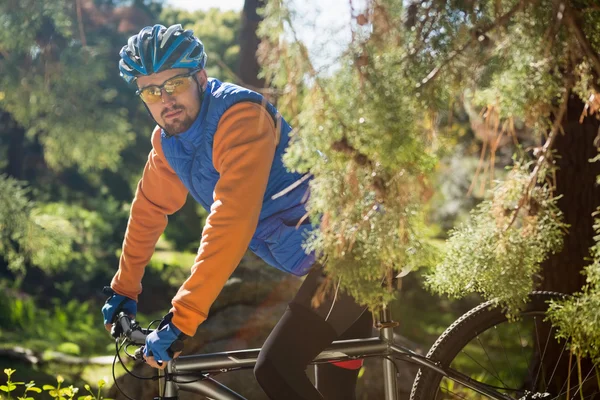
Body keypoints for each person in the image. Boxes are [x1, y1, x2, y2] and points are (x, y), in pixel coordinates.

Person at [101, 24, 372, 400]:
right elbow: (149, 210)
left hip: (356, 249)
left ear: (200, 76)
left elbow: (230, 220)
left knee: (276, 369)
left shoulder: (241, 118)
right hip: (321, 261)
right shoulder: (168, 142)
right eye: (151, 91)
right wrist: (124, 288)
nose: (165, 100)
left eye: (175, 84)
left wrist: (184, 318)